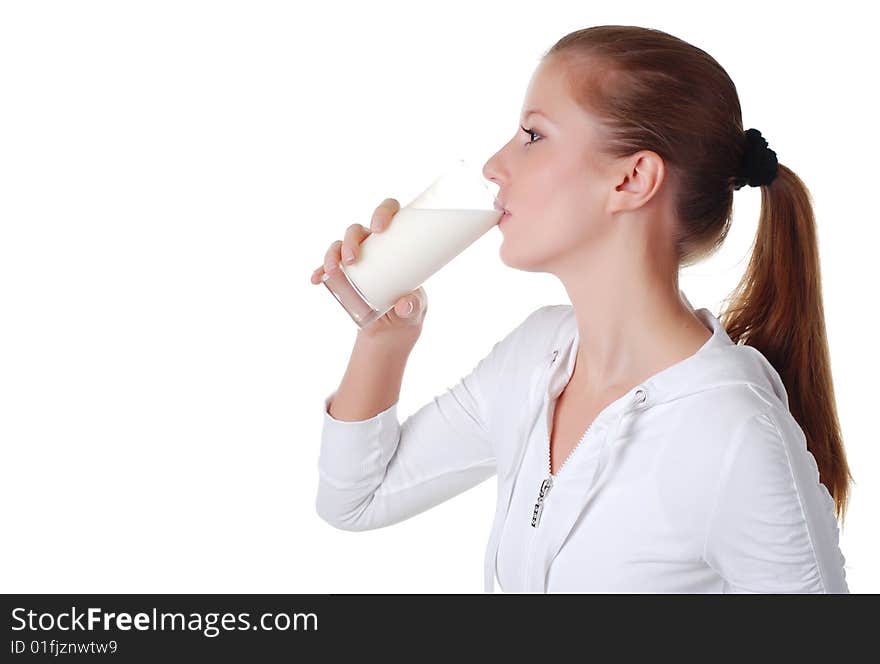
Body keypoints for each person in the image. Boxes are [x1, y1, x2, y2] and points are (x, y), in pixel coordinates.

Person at [310, 25, 853, 593]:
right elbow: (355, 499)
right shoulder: (536, 358)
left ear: (632, 179)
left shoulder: (730, 430)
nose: (495, 166)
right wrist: (383, 336)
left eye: (532, 135)